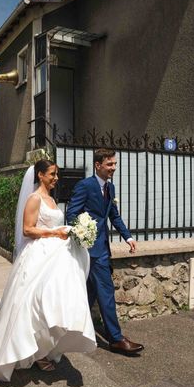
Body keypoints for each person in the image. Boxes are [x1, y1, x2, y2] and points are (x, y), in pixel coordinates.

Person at [0, 159, 96, 381]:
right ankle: (32, 351)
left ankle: (45, 347)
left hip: (55, 255)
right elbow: (27, 230)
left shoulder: (51, 199)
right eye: (52, 174)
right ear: (40, 175)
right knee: (33, 302)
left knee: (52, 301)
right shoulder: (34, 199)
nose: (56, 178)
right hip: (38, 256)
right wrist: (56, 233)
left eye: (57, 174)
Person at [66, 148, 144, 355]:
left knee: (89, 294)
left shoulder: (111, 188)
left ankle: (72, 333)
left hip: (102, 248)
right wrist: (85, 233)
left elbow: (114, 216)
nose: (114, 168)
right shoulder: (85, 186)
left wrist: (128, 237)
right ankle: (116, 339)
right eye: (110, 164)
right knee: (106, 292)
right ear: (98, 165)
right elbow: (72, 214)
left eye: (115, 164)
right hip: (90, 250)